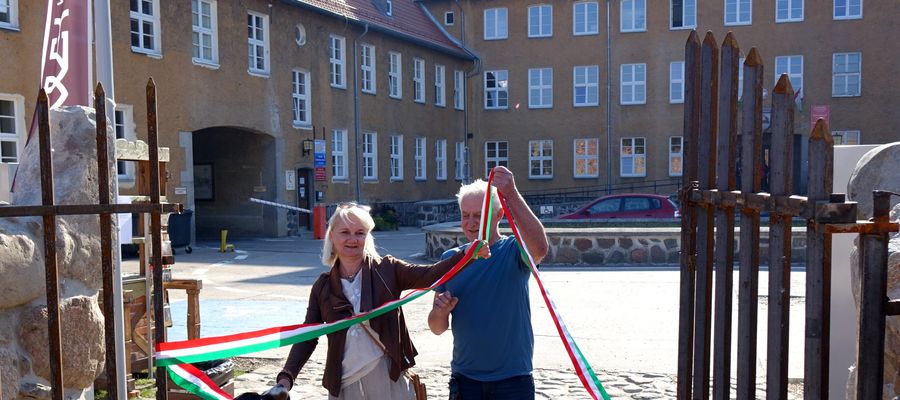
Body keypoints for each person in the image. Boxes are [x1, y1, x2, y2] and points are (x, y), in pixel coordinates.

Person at [267, 202, 490, 400]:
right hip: (343, 384)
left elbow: (429, 275)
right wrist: (286, 378)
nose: (353, 239)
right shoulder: (323, 286)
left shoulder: (388, 269)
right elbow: (308, 336)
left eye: (360, 232)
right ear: (332, 237)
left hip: (388, 377)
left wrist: (466, 255)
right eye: (345, 232)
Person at [428, 166, 549, 400]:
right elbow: (436, 327)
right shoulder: (450, 259)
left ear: (498, 214)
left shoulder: (512, 251)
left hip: (513, 380)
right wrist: (440, 312)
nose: (472, 223)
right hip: (466, 380)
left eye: (480, 215)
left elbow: (540, 248)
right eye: (466, 215)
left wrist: (511, 193)